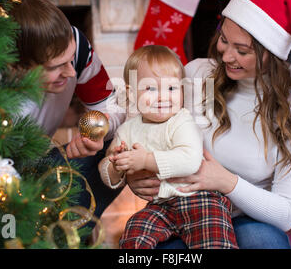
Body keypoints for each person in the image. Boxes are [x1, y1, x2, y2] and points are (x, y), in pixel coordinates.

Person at [126, 0, 291, 249]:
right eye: (224, 40)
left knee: (265, 242)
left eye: (242, 50)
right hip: (180, 212)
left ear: (271, 56)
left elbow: (287, 214)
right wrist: (137, 175)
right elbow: (145, 126)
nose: (226, 56)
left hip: (245, 220)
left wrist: (226, 182)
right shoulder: (196, 75)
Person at [98, 45, 237, 249]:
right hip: (160, 206)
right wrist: (115, 166)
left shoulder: (181, 121)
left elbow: (189, 159)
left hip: (197, 199)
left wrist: (145, 160)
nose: (163, 97)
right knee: (133, 234)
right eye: (151, 89)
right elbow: (107, 167)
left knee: (213, 240)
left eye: (172, 88)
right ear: (131, 93)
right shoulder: (127, 130)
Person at [10, 0, 126, 219]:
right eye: (57, 66)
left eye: (70, 59)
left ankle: (68, 233)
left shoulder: (76, 47)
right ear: (17, 66)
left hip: (45, 165)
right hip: (0, 177)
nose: (72, 72)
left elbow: (113, 106)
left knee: (120, 143)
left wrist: (94, 133)